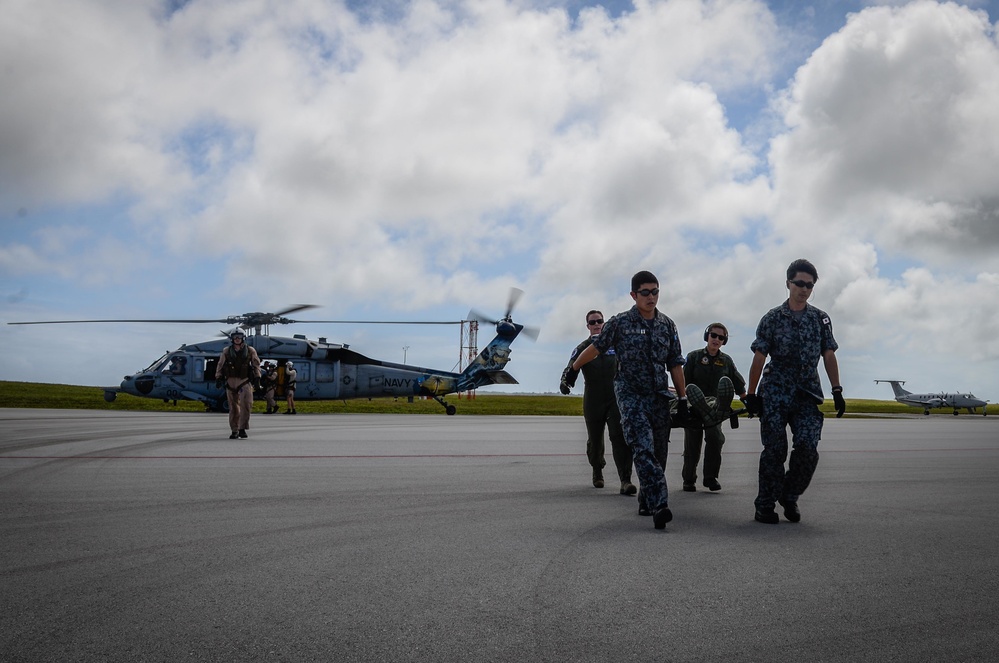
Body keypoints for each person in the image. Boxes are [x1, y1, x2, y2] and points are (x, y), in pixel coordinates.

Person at [572, 271, 689, 530]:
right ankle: (661, 505)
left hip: (659, 395)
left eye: (655, 291)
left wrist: (682, 398)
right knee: (642, 447)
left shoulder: (667, 325)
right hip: (629, 393)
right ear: (634, 295)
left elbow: (675, 363)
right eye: (645, 292)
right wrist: (574, 367)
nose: (651, 297)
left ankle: (646, 500)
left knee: (659, 453)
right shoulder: (620, 323)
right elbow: (596, 347)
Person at [745, 258, 845, 525]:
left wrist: (837, 390)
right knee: (775, 451)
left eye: (809, 285)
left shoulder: (821, 319)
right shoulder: (772, 318)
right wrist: (751, 394)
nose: (804, 289)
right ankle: (765, 505)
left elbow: (828, 354)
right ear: (788, 283)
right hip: (776, 393)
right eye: (799, 283)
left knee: (808, 448)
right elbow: (759, 357)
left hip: (807, 395)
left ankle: (790, 494)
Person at [560, 310, 636, 496]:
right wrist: (565, 382)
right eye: (592, 322)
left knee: (619, 437)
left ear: (604, 323)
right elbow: (571, 367)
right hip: (593, 398)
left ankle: (625, 480)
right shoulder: (583, 348)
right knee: (595, 440)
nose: (596, 324)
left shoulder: (616, 345)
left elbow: (632, 364)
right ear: (587, 326)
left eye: (599, 321)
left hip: (615, 398)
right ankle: (597, 470)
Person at [681, 322, 747, 493]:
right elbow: (682, 383)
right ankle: (689, 479)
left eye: (721, 337)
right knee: (692, 445)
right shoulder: (693, 357)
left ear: (724, 341)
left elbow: (739, 386)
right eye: (713, 335)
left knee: (715, 439)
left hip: (715, 411)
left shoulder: (726, 361)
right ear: (707, 336)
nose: (716, 339)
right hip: (693, 408)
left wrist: (749, 401)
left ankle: (710, 478)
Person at [215, 330, 261, 439]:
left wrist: (258, 377)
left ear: (243, 338)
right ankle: (234, 430)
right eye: (235, 337)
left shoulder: (250, 350)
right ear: (232, 338)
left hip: (244, 381)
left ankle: (242, 428)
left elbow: (256, 364)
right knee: (233, 408)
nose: (237, 339)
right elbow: (220, 365)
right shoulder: (226, 351)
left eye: (239, 336)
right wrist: (218, 377)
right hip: (230, 382)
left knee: (246, 405)